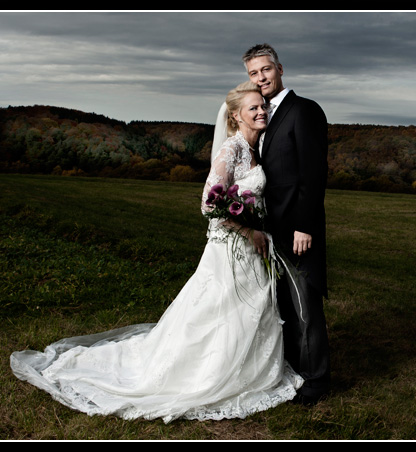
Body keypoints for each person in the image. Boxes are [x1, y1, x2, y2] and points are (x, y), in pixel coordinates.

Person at [9, 83, 304, 423]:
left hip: (254, 247)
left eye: (262, 106)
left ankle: (250, 369)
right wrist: (247, 229)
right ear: (236, 116)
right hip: (231, 247)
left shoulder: (257, 148)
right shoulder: (231, 149)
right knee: (216, 311)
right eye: (252, 108)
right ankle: (205, 372)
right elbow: (210, 204)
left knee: (249, 309)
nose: (261, 111)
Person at [241, 43, 330, 406]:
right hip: (273, 230)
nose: (261, 78)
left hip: (298, 229)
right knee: (286, 306)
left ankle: (316, 382)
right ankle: (294, 370)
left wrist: (305, 226)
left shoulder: (304, 110)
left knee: (305, 306)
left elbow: (313, 173)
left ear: (280, 68)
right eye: (253, 73)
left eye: (266, 70)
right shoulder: (266, 115)